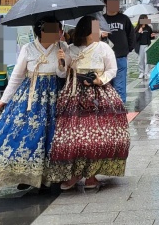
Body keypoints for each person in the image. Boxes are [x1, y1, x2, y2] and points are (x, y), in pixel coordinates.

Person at [0, 17, 65, 190]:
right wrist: (5, 99)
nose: (59, 33)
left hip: (54, 96)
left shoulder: (62, 48)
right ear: (43, 31)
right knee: (26, 134)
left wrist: (62, 61)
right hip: (31, 97)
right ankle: (25, 175)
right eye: (56, 29)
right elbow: (18, 76)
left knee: (52, 135)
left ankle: (50, 175)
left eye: (59, 29)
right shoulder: (28, 48)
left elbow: (62, 75)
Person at [49, 16, 130, 190]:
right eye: (95, 28)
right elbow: (62, 74)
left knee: (94, 136)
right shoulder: (71, 49)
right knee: (73, 137)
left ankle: (91, 176)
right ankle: (74, 173)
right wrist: (61, 62)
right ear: (86, 31)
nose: (99, 32)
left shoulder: (104, 48)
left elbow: (112, 69)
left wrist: (100, 80)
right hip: (73, 95)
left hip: (98, 95)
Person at [103, 0, 136, 103]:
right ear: (105, 4)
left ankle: (119, 109)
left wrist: (128, 49)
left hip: (120, 56)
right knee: (107, 84)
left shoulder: (124, 18)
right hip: (104, 58)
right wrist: (99, 34)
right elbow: (92, 38)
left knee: (120, 85)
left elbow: (131, 35)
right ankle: (109, 107)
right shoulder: (100, 20)